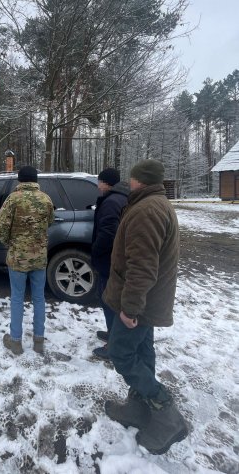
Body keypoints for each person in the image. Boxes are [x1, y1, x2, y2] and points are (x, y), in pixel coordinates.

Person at [103, 159, 188, 455]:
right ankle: (138, 408)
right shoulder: (154, 204)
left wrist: (130, 308)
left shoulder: (146, 211)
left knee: (121, 352)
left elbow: (142, 267)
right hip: (148, 300)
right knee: (142, 350)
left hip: (141, 301)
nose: (130, 181)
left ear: (139, 180)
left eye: (132, 177)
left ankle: (165, 411)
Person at [0, 166, 54, 355]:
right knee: (39, 298)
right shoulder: (46, 199)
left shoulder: (13, 199)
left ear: (19, 180)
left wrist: (10, 243)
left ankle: (16, 342)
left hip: (18, 258)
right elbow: (50, 222)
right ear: (35, 180)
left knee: (17, 298)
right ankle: (38, 341)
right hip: (39, 257)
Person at [91, 168, 129, 361]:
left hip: (109, 259)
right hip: (115, 259)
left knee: (109, 299)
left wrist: (95, 250)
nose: (98, 185)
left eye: (99, 182)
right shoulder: (121, 198)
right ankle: (113, 333)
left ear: (105, 183)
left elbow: (108, 233)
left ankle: (114, 344)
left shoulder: (111, 202)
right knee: (110, 298)